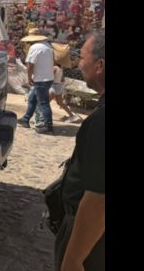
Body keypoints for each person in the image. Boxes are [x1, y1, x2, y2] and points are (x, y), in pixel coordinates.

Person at [54, 28, 104, 270]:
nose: (79, 64)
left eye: (83, 58)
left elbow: (99, 199)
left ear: (100, 65)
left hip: (92, 244)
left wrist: (73, 259)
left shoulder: (102, 121)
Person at [17, 28, 56, 133]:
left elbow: (30, 65)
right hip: (48, 78)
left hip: (40, 79)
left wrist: (29, 78)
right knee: (32, 99)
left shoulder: (35, 47)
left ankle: (48, 126)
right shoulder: (48, 46)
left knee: (44, 103)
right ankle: (26, 119)